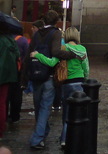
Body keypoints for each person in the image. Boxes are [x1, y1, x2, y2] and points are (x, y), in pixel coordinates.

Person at [21, 10, 78, 150]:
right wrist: (71, 54)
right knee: (45, 108)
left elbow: (29, 55)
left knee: (39, 106)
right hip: (48, 75)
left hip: (35, 74)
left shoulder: (37, 34)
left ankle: (42, 133)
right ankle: (37, 139)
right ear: (56, 21)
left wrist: (24, 77)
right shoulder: (56, 33)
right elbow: (56, 52)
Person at [32, 27, 89, 148]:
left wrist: (38, 56)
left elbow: (52, 62)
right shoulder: (82, 49)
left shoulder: (63, 48)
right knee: (77, 112)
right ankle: (71, 137)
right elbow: (86, 68)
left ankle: (64, 139)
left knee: (66, 112)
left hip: (66, 83)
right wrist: (86, 79)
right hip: (79, 83)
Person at [0, 27, 19, 142]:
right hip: (6, 76)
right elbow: (17, 56)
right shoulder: (10, 40)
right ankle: (0, 130)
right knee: (2, 103)